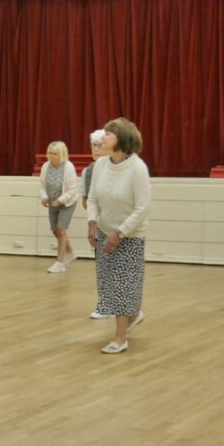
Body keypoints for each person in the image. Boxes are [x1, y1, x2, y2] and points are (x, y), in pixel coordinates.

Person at [86, 117, 151, 354]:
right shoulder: (101, 166)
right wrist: (92, 223)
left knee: (123, 286)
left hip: (130, 236)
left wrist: (120, 233)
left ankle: (120, 338)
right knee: (107, 286)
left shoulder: (137, 168)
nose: (102, 139)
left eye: (108, 135)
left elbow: (142, 208)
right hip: (105, 231)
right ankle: (133, 313)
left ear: (121, 140)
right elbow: (92, 198)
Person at [82, 129, 111, 318]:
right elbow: (86, 200)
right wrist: (93, 221)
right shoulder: (89, 171)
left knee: (117, 266)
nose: (97, 149)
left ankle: (124, 306)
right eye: (94, 145)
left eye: (100, 145)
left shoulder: (119, 167)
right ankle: (104, 303)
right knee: (102, 264)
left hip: (119, 223)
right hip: (99, 223)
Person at [38, 141, 79, 273]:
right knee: (55, 230)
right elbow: (42, 186)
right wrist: (44, 197)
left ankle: (59, 262)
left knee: (61, 229)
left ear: (61, 154)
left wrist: (60, 200)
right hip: (52, 202)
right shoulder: (45, 166)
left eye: (54, 153)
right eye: (49, 153)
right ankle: (70, 253)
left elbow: (72, 190)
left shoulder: (68, 167)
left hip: (67, 202)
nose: (51, 155)